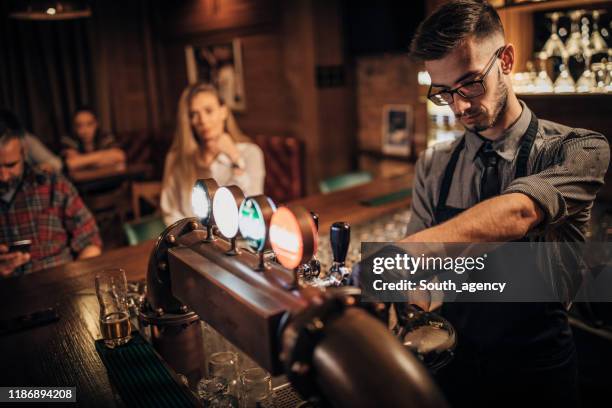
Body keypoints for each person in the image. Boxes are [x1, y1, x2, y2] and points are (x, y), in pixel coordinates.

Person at [400, 1, 609, 407]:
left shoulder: (577, 148)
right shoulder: (434, 164)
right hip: (453, 365)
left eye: (470, 83)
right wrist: (413, 315)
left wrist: (411, 251)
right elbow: (421, 276)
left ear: (507, 60)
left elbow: (520, 210)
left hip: (537, 371)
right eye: (443, 92)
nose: (459, 106)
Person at [0, 111, 102, 278]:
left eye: (10, 165)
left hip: (61, 286)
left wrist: (78, 282)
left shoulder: (53, 185)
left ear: (24, 151)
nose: (3, 176)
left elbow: (90, 241)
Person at [161, 83, 265, 226]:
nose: (202, 121)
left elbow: (250, 211)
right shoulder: (178, 159)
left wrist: (235, 158)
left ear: (223, 111)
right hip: (189, 243)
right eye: (194, 114)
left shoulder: (250, 153)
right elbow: (170, 212)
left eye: (209, 111)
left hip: (236, 243)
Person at [61, 106, 126, 172]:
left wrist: (82, 161)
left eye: (89, 124)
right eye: (79, 125)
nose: (84, 131)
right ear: (74, 127)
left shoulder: (104, 137)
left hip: (105, 177)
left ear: (96, 124)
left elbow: (120, 156)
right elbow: (71, 164)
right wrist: (104, 157)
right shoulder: (69, 139)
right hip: (81, 180)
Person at [0, 109, 62, 173]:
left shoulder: (26, 140)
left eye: (11, 165)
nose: (4, 177)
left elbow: (56, 164)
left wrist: (38, 170)